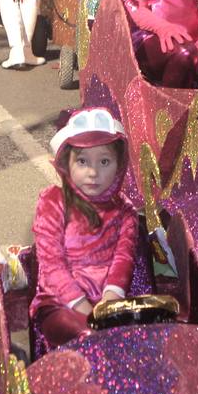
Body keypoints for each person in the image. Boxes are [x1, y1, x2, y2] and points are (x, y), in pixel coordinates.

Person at [30, 108, 138, 348]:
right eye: (82, 161)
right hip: (61, 302)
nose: (93, 172)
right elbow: (51, 264)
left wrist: (111, 299)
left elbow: (124, 257)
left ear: (119, 165)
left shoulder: (125, 209)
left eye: (104, 161)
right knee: (87, 337)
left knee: (141, 339)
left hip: (109, 301)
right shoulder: (53, 201)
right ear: (67, 164)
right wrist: (83, 308)